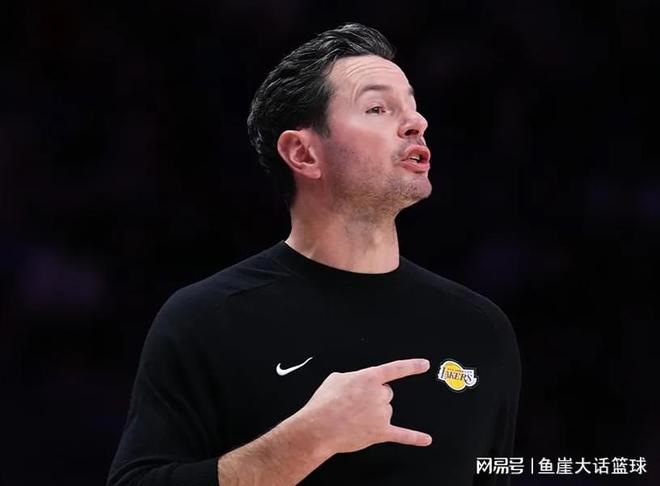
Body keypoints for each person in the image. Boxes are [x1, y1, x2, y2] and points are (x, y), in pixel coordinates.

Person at [107, 22, 521, 486]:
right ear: (303, 153)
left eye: (412, 106)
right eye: (377, 108)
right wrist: (308, 440)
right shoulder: (207, 318)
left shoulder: (480, 330)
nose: (417, 122)